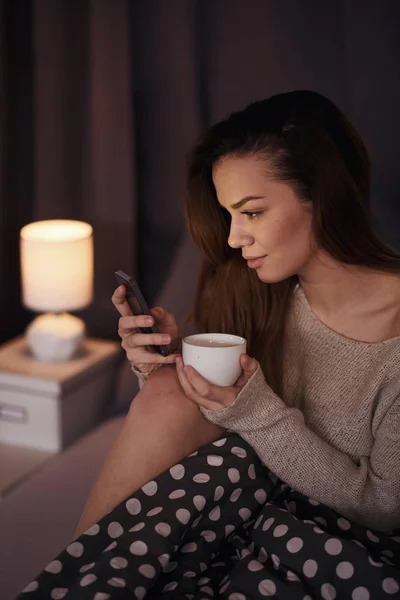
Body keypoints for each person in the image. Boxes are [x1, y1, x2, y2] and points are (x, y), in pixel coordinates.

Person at [20, 91, 400, 599]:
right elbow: (212, 414)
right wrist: (160, 364)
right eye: (229, 215)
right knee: (165, 394)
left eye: (253, 212)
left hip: (337, 541)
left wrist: (255, 411)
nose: (234, 237)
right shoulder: (261, 291)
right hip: (241, 505)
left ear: (325, 194)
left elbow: (383, 507)